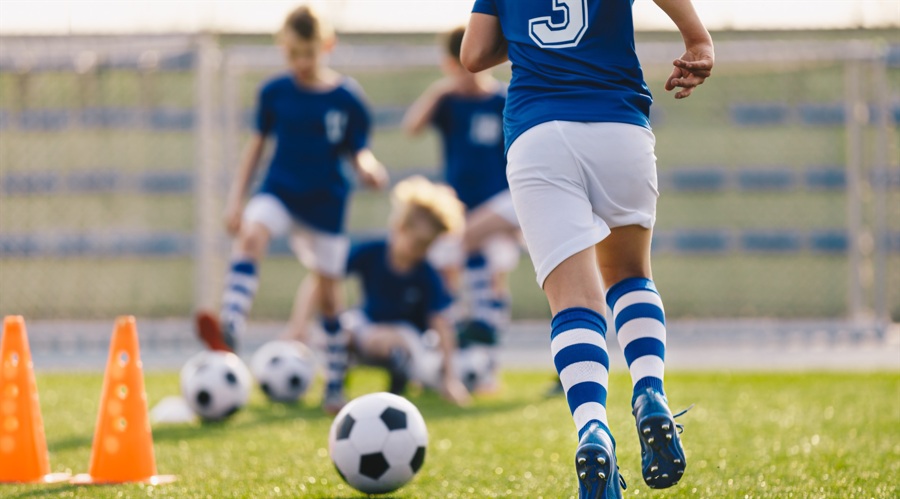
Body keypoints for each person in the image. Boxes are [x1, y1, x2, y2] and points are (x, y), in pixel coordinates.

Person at [461, 1, 714, 498]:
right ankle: (649, 389)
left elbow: (473, 55)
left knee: (574, 304)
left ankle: (593, 427)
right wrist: (698, 39)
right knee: (629, 275)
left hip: (538, 133)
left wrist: (527, 34)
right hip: (617, 122)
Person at [195, 5, 388, 357]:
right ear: (283, 48)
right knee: (252, 234)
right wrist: (236, 200)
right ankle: (231, 324)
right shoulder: (275, 92)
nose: (301, 62)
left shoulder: (347, 99)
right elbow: (255, 149)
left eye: (308, 53)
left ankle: (334, 376)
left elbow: (359, 149)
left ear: (327, 45)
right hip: (280, 191)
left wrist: (369, 167)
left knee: (329, 296)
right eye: (293, 54)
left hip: (325, 203)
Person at [402, 26, 521, 393]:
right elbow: (412, 128)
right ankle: (461, 362)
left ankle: (487, 364)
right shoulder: (450, 101)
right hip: (461, 210)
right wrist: (441, 88)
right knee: (462, 275)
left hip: (500, 207)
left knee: (473, 256)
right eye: (459, 67)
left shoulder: (501, 99)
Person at [326, 175, 471, 413]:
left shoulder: (427, 274)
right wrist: (299, 324)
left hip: (407, 336)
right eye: (419, 244)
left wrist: (450, 378)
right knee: (339, 330)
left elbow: (441, 324)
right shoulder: (372, 252)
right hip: (368, 322)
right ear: (400, 227)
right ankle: (335, 387)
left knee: (383, 341)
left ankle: (398, 384)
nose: (422, 251)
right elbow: (326, 279)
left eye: (429, 245)